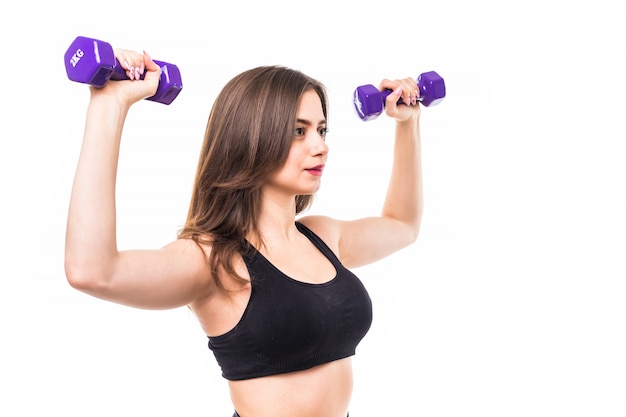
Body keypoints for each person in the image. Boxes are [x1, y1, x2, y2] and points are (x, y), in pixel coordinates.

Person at [64, 47, 424, 417]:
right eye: (298, 131)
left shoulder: (323, 238)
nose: (321, 146)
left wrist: (407, 124)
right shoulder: (212, 260)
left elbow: (402, 224)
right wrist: (109, 106)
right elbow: (92, 271)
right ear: (250, 139)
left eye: (320, 129)